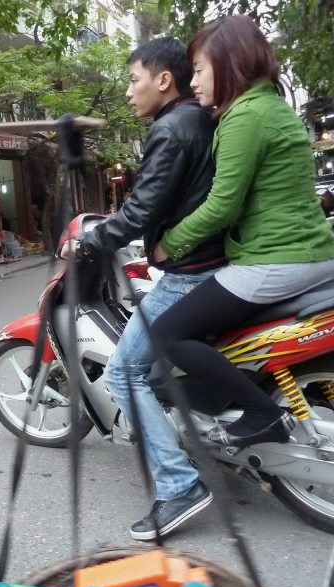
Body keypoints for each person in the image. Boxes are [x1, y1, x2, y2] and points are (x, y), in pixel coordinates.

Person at [152, 16, 334, 447]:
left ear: (229, 62)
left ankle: (261, 413)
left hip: (276, 259)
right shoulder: (270, 106)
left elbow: (221, 204)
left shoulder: (244, 115)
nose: (192, 82)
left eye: (198, 69)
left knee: (168, 333)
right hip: (310, 254)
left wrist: (167, 243)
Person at [78, 36, 227, 541]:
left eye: (132, 79)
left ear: (164, 80)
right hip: (213, 264)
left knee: (123, 372)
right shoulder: (198, 119)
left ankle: (179, 485)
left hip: (192, 274)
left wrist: (90, 239)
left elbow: (140, 210)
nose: (126, 91)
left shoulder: (171, 128)